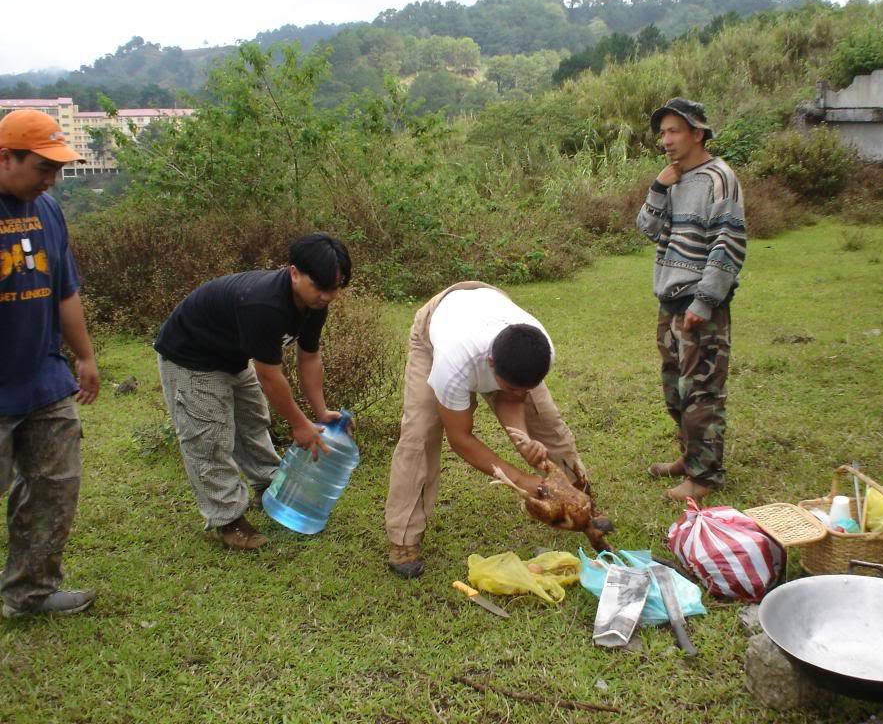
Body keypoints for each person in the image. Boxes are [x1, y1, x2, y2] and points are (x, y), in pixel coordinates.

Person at [154, 233, 351, 550]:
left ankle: (267, 484)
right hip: (191, 356)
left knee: (253, 420)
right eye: (320, 286)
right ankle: (228, 519)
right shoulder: (264, 303)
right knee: (209, 437)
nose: (327, 296)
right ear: (294, 272)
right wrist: (300, 425)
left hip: (233, 354)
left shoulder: (315, 303)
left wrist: (320, 411)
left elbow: (309, 355)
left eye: (335, 288)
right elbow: (269, 375)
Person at [385, 282, 585, 578]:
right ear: (491, 365)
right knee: (420, 434)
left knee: (547, 422)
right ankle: (403, 539)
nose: (520, 391)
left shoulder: (539, 349)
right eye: (510, 385)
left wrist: (524, 440)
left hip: (490, 306)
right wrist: (520, 480)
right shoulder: (452, 367)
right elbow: (460, 438)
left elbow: (512, 397)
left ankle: (577, 501)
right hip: (436, 328)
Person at [0, 109, 99, 618]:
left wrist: (83, 355)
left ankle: (30, 593)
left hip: (43, 378)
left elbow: (65, 291)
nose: (51, 179)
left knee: (54, 488)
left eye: (57, 168)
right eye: (42, 167)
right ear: (6, 157)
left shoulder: (49, 211)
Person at [636, 98, 746, 503]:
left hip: (701, 302)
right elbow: (646, 228)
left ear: (697, 133)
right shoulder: (673, 177)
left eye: (674, 131)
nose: (665, 140)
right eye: (662, 132)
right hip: (669, 298)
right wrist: (659, 187)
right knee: (675, 389)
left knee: (702, 391)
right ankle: (689, 457)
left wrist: (705, 301)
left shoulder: (720, 178)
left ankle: (704, 476)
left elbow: (729, 244)